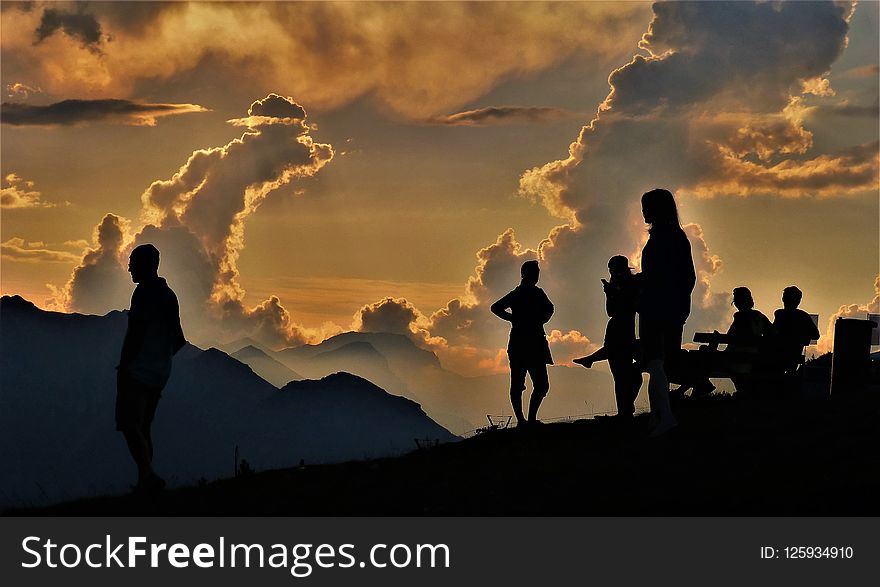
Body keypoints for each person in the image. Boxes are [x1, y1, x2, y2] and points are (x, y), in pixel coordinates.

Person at [116, 244, 186, 493]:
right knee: (143, 426)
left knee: (129, 424)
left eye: (133, 262)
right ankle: (146, 479)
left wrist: (126, 365)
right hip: (159, 373)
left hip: (138, 371)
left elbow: (136, 332)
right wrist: (161, 360)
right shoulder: (169, 295)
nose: (129, 267)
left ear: (146, 265)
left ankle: (147, 476)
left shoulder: (144, 293)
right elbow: (179, 339)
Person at [637, 188, 696, 436]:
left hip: (657, 308)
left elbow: (658, 277)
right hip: (672, 308)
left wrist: (637, 283)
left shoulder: (663, 238)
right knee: (658, 363)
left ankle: (665, 417)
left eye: (646, 206)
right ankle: (658, 415)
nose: (643, 211)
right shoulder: (677, 236)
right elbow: (687, 277)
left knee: (655, 362)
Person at [574, 256, 641, 419]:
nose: (612, 272)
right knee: (621, 374)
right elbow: (611, 311)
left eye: (613, 269)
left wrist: (614, 293)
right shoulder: (619, 285)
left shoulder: (632, 284)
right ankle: (625, 411)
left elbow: (629, 306)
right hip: (618, 328)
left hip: (624, 329)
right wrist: (609, 294)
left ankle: (625, 410)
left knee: (628, 374)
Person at [491, 260, 554, 427]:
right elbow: (495, 307)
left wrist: (517, 319)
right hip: (526, 343)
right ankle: (523, 420)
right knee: (523, 384)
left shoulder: (534, 293)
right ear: (527, 274)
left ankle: (528, 419)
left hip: (529, 342)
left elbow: (550, 308)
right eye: (535, 272)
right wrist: (514, 318)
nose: (537, 276)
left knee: (538, 384)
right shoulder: (521, 294)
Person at [725, 286, 774, 394]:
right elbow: (772, 334)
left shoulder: (739, 318)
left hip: (736, 359)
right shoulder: (760, 316)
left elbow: (730, 338)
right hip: (754, 357)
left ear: (737, 302)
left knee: (705, 353)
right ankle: (743, 391)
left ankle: (742, 391)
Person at [772, 286, 820, 373]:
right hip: (793, 355)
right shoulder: (803, 316)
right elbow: (816, 335)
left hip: (780, 355)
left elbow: (772, 332)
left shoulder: (780, 314)